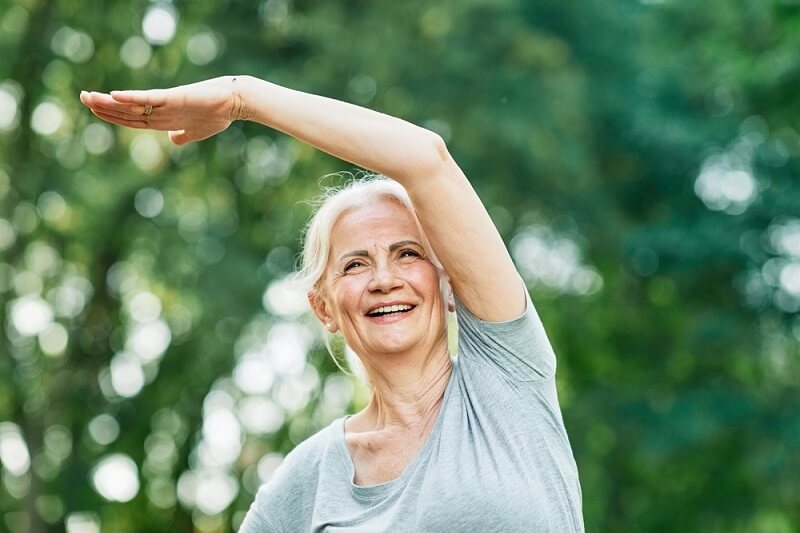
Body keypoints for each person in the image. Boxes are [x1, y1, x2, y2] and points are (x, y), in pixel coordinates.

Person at [80, 75, 584, 532]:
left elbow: (425, 160)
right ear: (324, 308)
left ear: (449, 285)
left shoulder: (506, 376)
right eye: (356, 264)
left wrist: (243, 98)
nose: (384, 279)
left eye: (407, 254)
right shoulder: (306, 482)